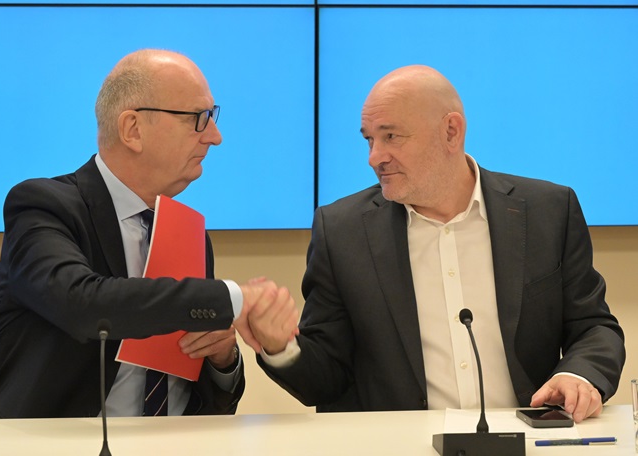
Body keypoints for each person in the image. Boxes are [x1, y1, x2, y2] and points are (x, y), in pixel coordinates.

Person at [254, 65, 625, 423]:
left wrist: (578, 375)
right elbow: (327, 379)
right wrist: (280, 347)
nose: (375, 157)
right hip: (399, 446)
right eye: (369, 139)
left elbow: (594, 327)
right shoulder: (341, 231)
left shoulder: (548, 211)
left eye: (391, 136)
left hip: (525, 439)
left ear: (451, 131)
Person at [0, 49, 296, 418]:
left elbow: (208, 401)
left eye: (213, 117)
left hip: (176, 441)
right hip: (60, 440)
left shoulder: (190, 233)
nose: (215, 136)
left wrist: (222, 359)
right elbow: (83, 304)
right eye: (198, 118)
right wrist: (234, 298)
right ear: (133, 129)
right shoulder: (43, 206)